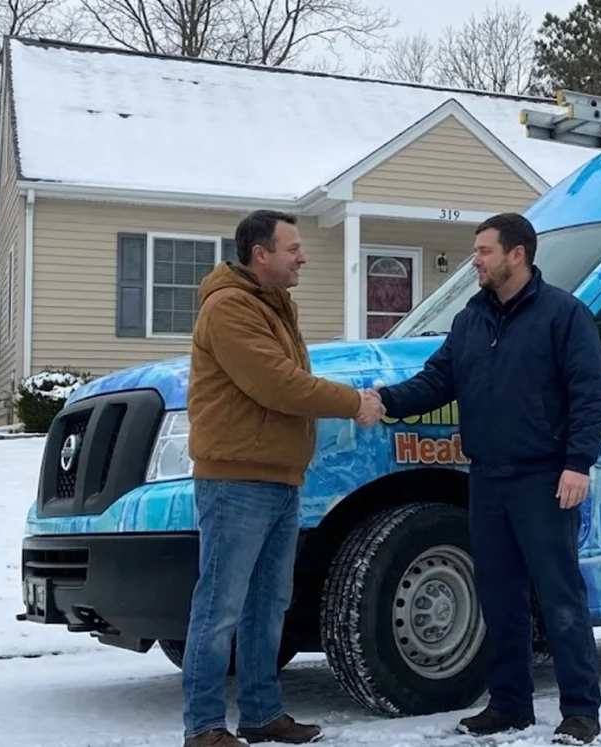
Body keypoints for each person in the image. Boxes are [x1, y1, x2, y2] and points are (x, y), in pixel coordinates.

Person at [367, 213, 601, 745]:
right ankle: (509, 704)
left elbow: (590, 395)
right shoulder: (471, 319)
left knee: (559, 596)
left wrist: (577, 463)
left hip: (544, 478)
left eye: (483, 251)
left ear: (517, 254)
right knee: (498, 597)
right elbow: (436, 381)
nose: (474, 260)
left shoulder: (563, 315)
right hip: (488, 479)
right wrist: (384, 401)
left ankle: (581, 711)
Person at [183, 209, 386, 747]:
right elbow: (278, 384)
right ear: (260, 254)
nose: (302, 257)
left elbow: (290, 381)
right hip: (235, 482)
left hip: (278, 478)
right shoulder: (229, 309)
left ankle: (260, 714)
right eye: (293, 248)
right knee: (221, 604)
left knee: (267, 605)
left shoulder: (274, 306)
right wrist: (353, 403)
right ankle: (203, 727)